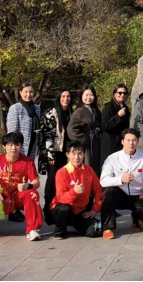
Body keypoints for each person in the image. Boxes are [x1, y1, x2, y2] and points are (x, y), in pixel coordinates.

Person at [99, 128, 143, 239]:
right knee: (109, 192)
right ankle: (107, 228)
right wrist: (120, 179)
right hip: (120, 194)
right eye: (128, 140)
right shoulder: (112, 158)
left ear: (138, 142)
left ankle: (136, 218)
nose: (131, 143)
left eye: (134, 140)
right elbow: (103, 181)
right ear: (122, 141)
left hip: (138, 195)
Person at [50, 141, 103, 239]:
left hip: (80, 211)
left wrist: (95, 209)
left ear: (84, 154)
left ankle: (77, 225)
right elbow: (61, 198)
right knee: (64, 209)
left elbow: (99, 190)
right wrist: (74, 192)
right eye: (73, 154)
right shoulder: (61, 172)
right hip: (62, 209)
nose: (77, 157)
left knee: (95, 230)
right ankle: (59, 231)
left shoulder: (89, 170)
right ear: (67, 154)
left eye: (80, 153)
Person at [39, 90, 72, 223]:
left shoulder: (71, 112)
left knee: (63, 181)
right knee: (52, 180)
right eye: (63, 96)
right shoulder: (51, 113)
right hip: (53, 152)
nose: (66, 99)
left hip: (66, 152)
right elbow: (47, 134)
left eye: (68, 96)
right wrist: (50, 154)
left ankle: (58, 208)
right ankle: (47, 209)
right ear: (59, 98)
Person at [68, 85, 102, 175]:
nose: (88, 98)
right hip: (85, 147)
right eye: (86, 95)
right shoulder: (79, 111)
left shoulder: (96, 111)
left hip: (95, 144)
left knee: (95, 169)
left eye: (91, 95)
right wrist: (84, 139)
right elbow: (71, 129)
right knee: (86, 168)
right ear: (81, 96)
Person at [6, 82, 42, 158]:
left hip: (33, 145)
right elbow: (12, 131)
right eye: (26, 92)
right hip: (19, 146)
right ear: (20, 93)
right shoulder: (15, 108)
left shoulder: (37, 108)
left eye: (31, 92)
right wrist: (14, 147)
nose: (28, 94)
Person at [100, 83, 130, 168]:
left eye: (124, 93)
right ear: (114, 94)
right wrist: (118, 116)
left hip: (120, 143)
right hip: (110, 143)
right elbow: (105, 126)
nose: (122, 95)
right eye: (119, 93)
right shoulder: (109, 107)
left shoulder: (125, 108)